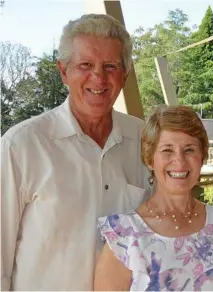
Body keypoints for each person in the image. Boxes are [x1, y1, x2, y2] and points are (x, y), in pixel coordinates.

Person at [1, 14, 149, 290]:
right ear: (63, 72)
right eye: (85, 65)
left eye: (110, 66)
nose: (98, 77)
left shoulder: (146, 141)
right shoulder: (21, 145)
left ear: (125, 75)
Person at [94, 105, 213, 291]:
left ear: (202, 157)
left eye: (189, 150)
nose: (179, 161)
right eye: (167, 150)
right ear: (150, 159)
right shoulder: (125, 237)